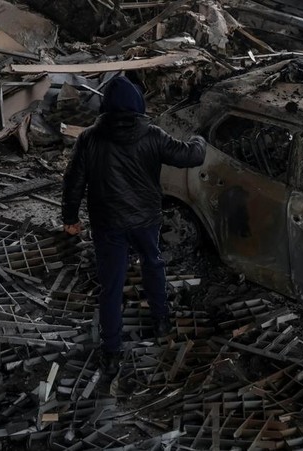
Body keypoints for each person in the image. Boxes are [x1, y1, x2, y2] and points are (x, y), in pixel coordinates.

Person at [61, 75, 206, 376]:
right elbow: (190, 156)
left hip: (108, 223)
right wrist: (199, 138)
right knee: (153, 264)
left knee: (111, 286)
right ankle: (161, 320)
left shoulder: (89, 138)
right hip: (145, 219)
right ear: (138, 104)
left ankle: (111, 352)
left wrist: (70, 218)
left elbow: (73, 182)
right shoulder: (152, 135)